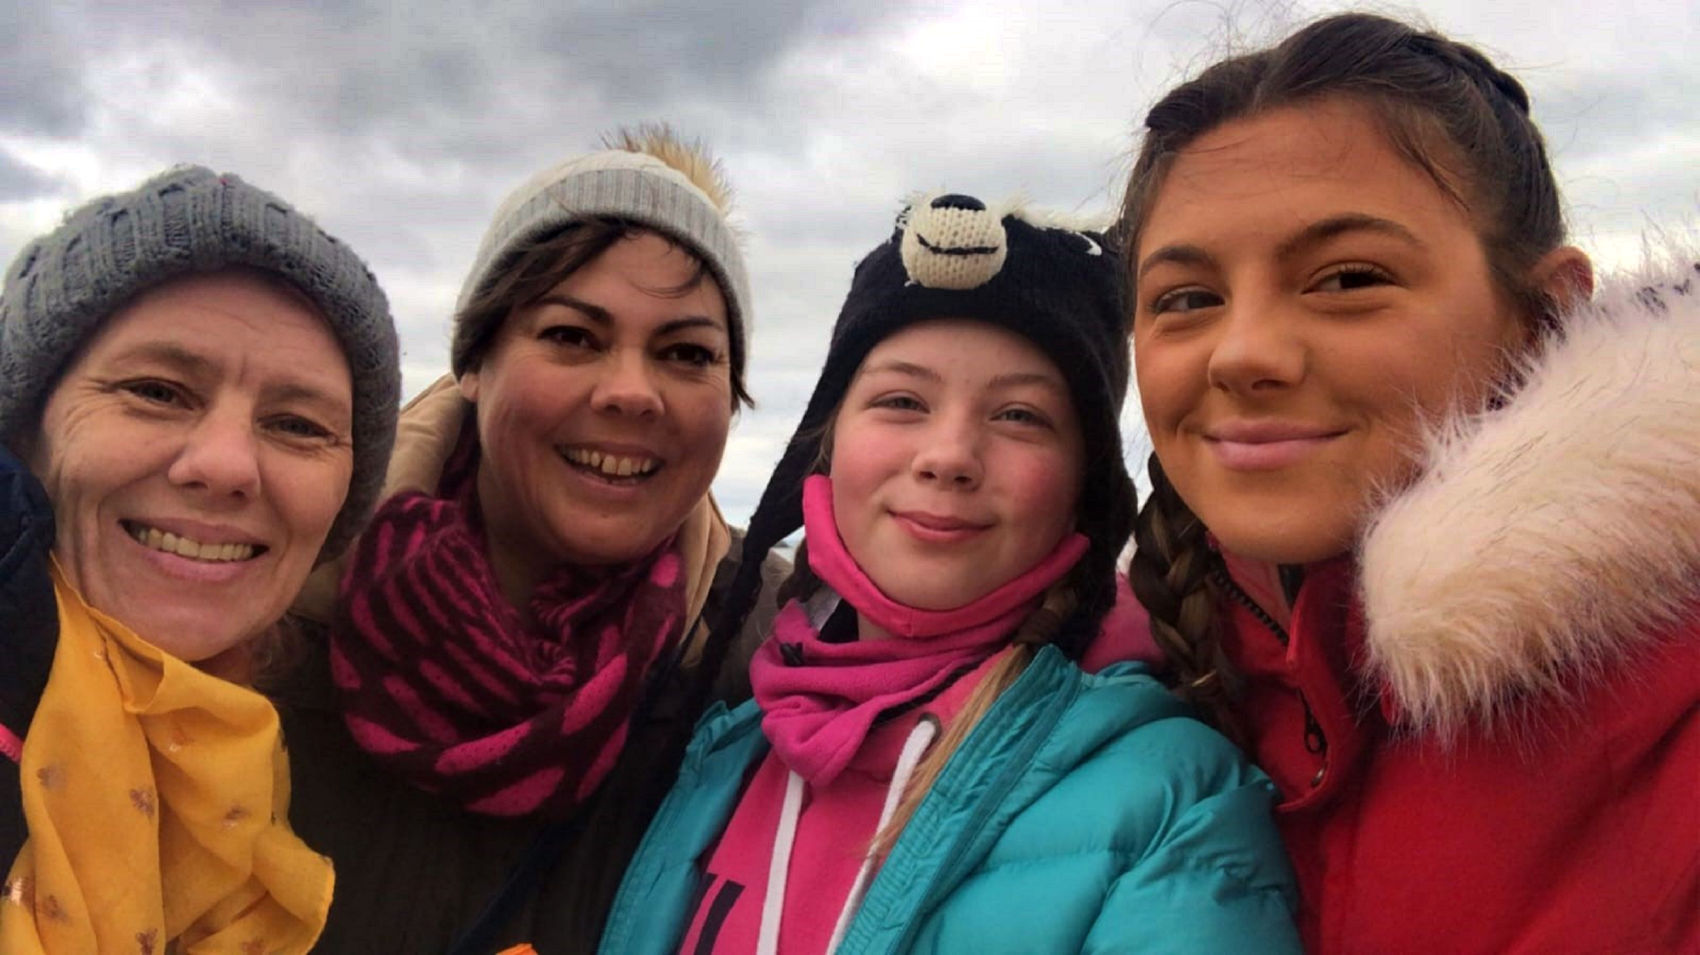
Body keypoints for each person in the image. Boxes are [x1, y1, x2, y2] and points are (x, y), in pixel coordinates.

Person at [1119, 12, 1699, 952]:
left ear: (1547, 316)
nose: (1243, 353)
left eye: (1347, 279)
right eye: (1187, 299)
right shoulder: (1115, 699)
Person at [599, 192, 1300, 953]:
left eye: (1019, 416)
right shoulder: (726, 756)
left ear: (1084, 489)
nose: (949, 456)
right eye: (902, 400)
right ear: (827, 447)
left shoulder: (1177, 803)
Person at [273, 127, 789, 953]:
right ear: (474, 363)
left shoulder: (775, 663)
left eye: (687, 352)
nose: (631, 392)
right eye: (572, 336)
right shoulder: (269, 597)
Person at [0, 166, 400, 953]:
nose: (225, 466)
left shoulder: (282, 761)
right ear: (27, 431)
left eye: (297, 425)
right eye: (157, 390)